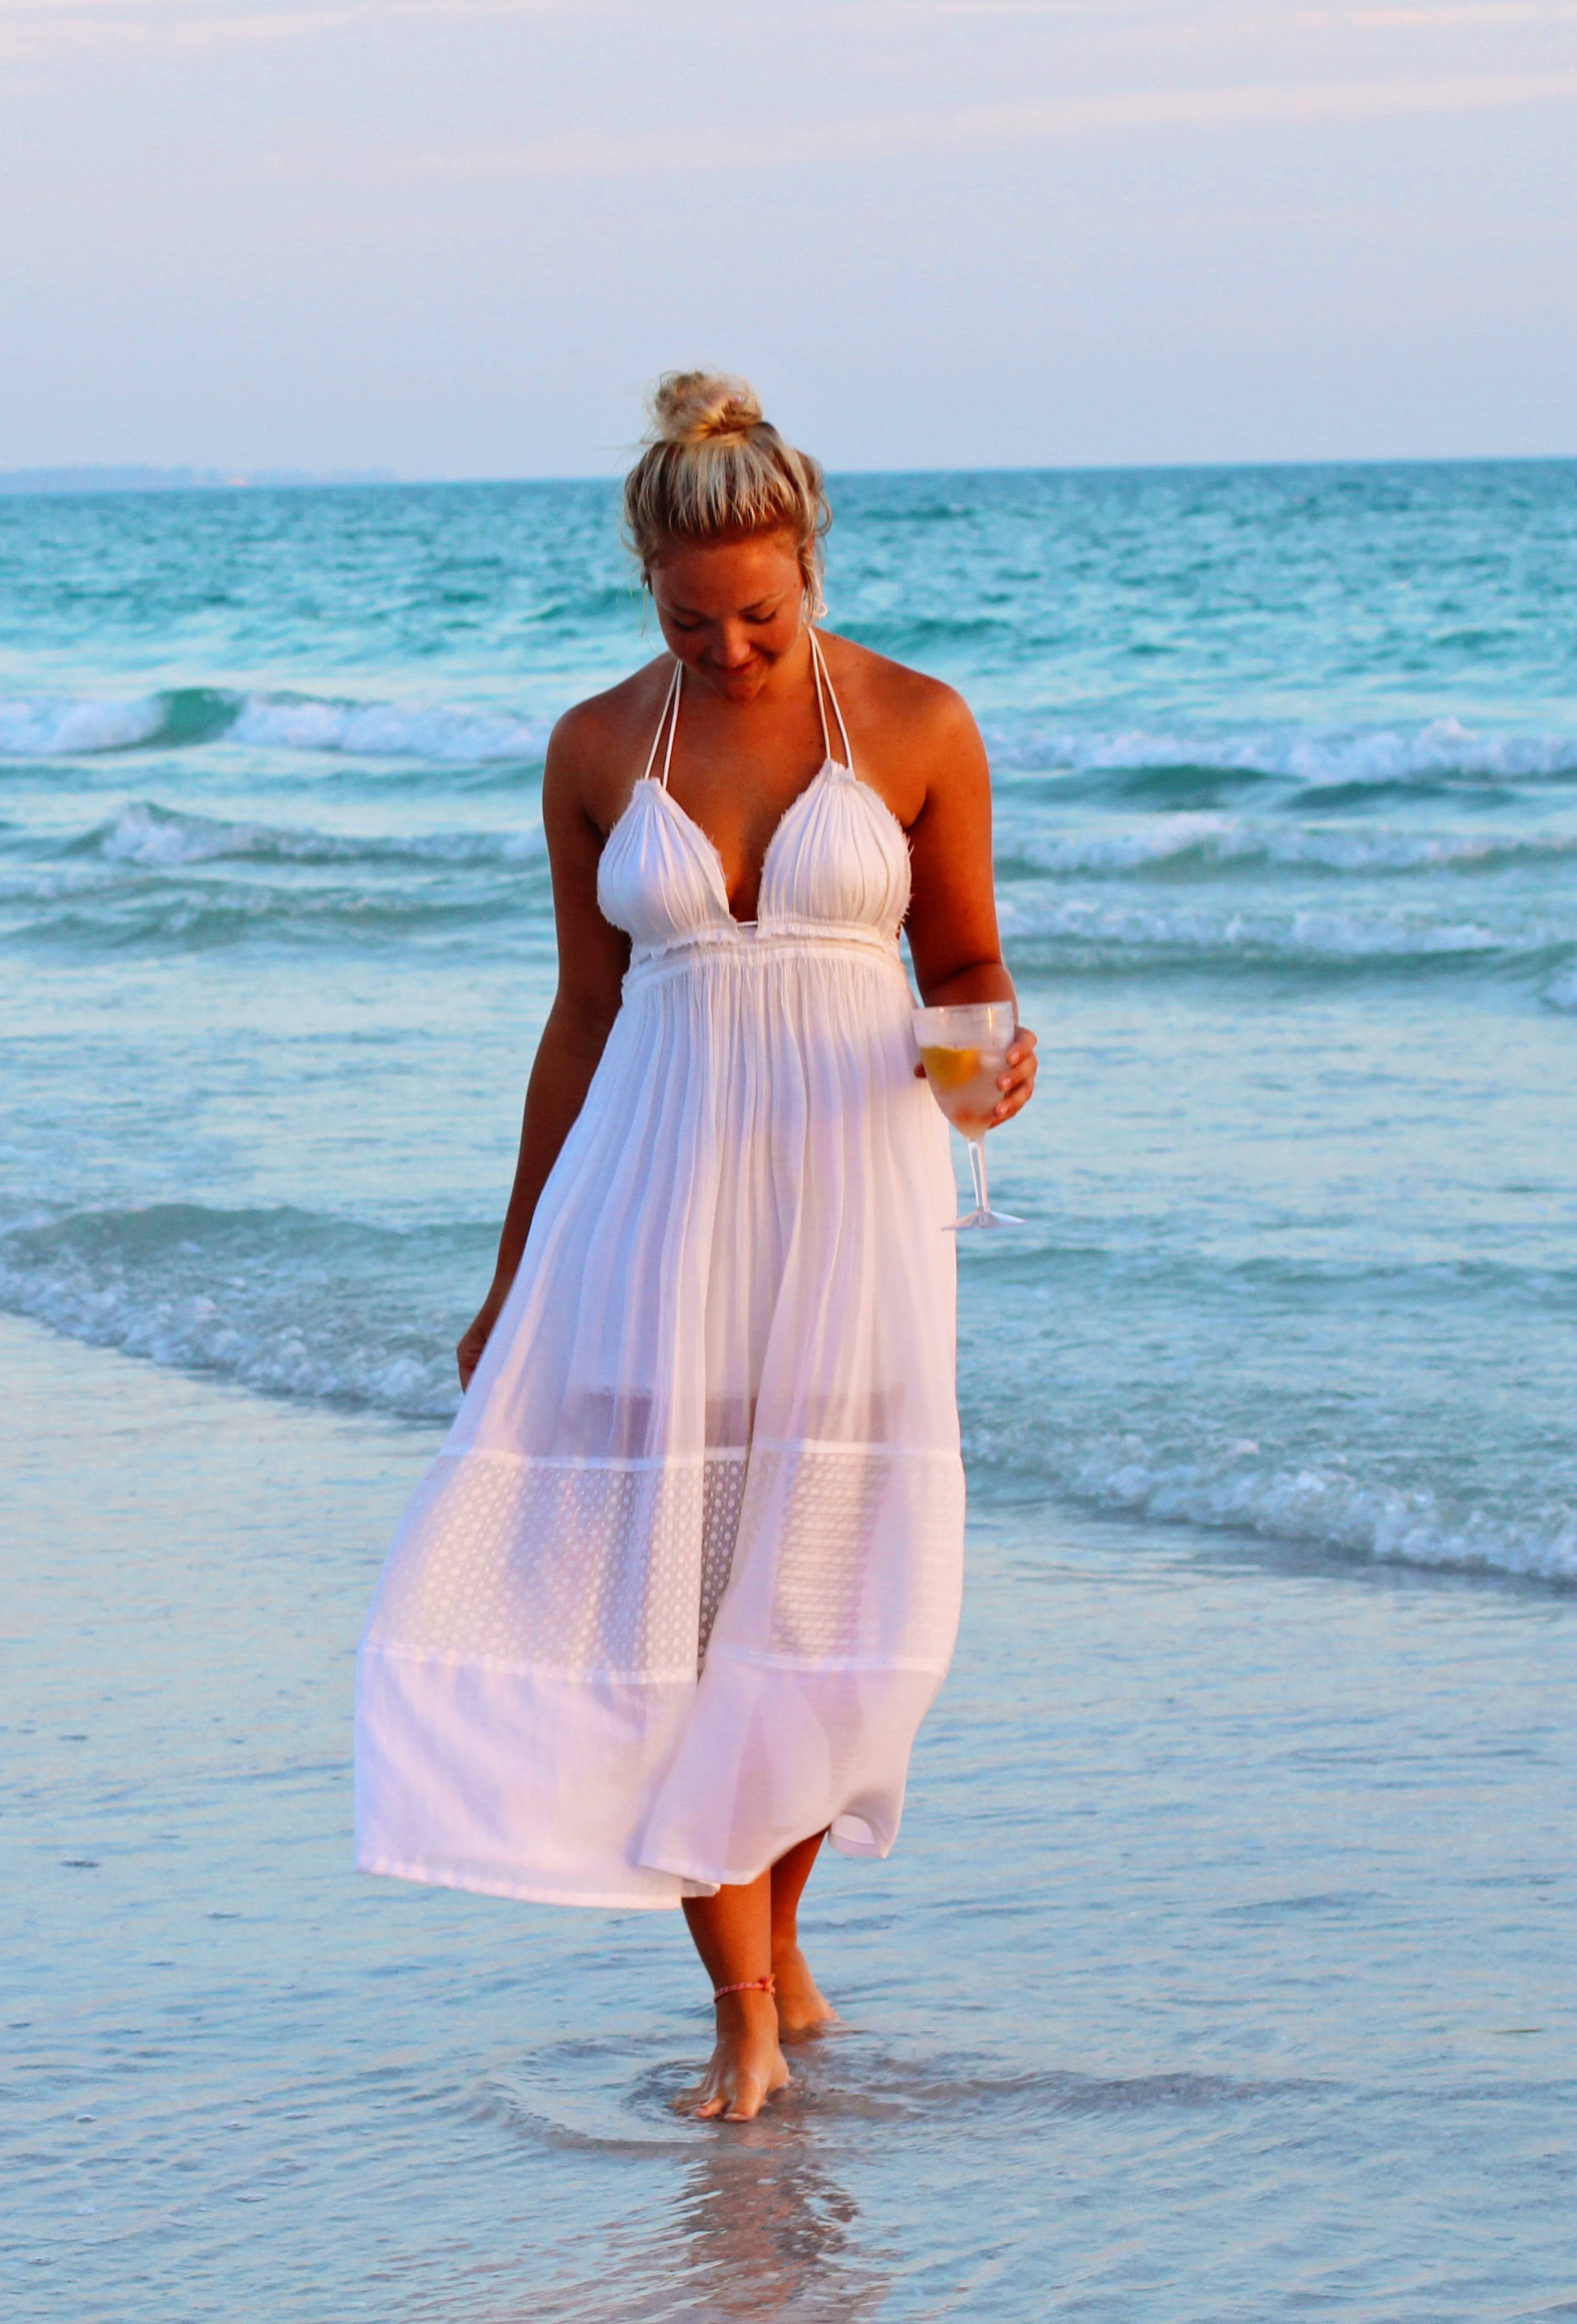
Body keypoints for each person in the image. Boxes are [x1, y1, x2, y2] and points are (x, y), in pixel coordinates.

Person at [352, 372, 1037, 2124]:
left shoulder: (919, 727)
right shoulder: (598, 750)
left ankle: (783, 1943)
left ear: (811, 560)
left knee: (821, 1609)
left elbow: (958, 972)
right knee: (665, 1606)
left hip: (854, 1208)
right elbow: (580, 1023)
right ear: (643, 587)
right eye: (691, 619)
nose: (728, 650)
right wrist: (512, 1279)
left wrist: (990, 1075)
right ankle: (740, 2011)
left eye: (760, 613)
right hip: (648, 1211)